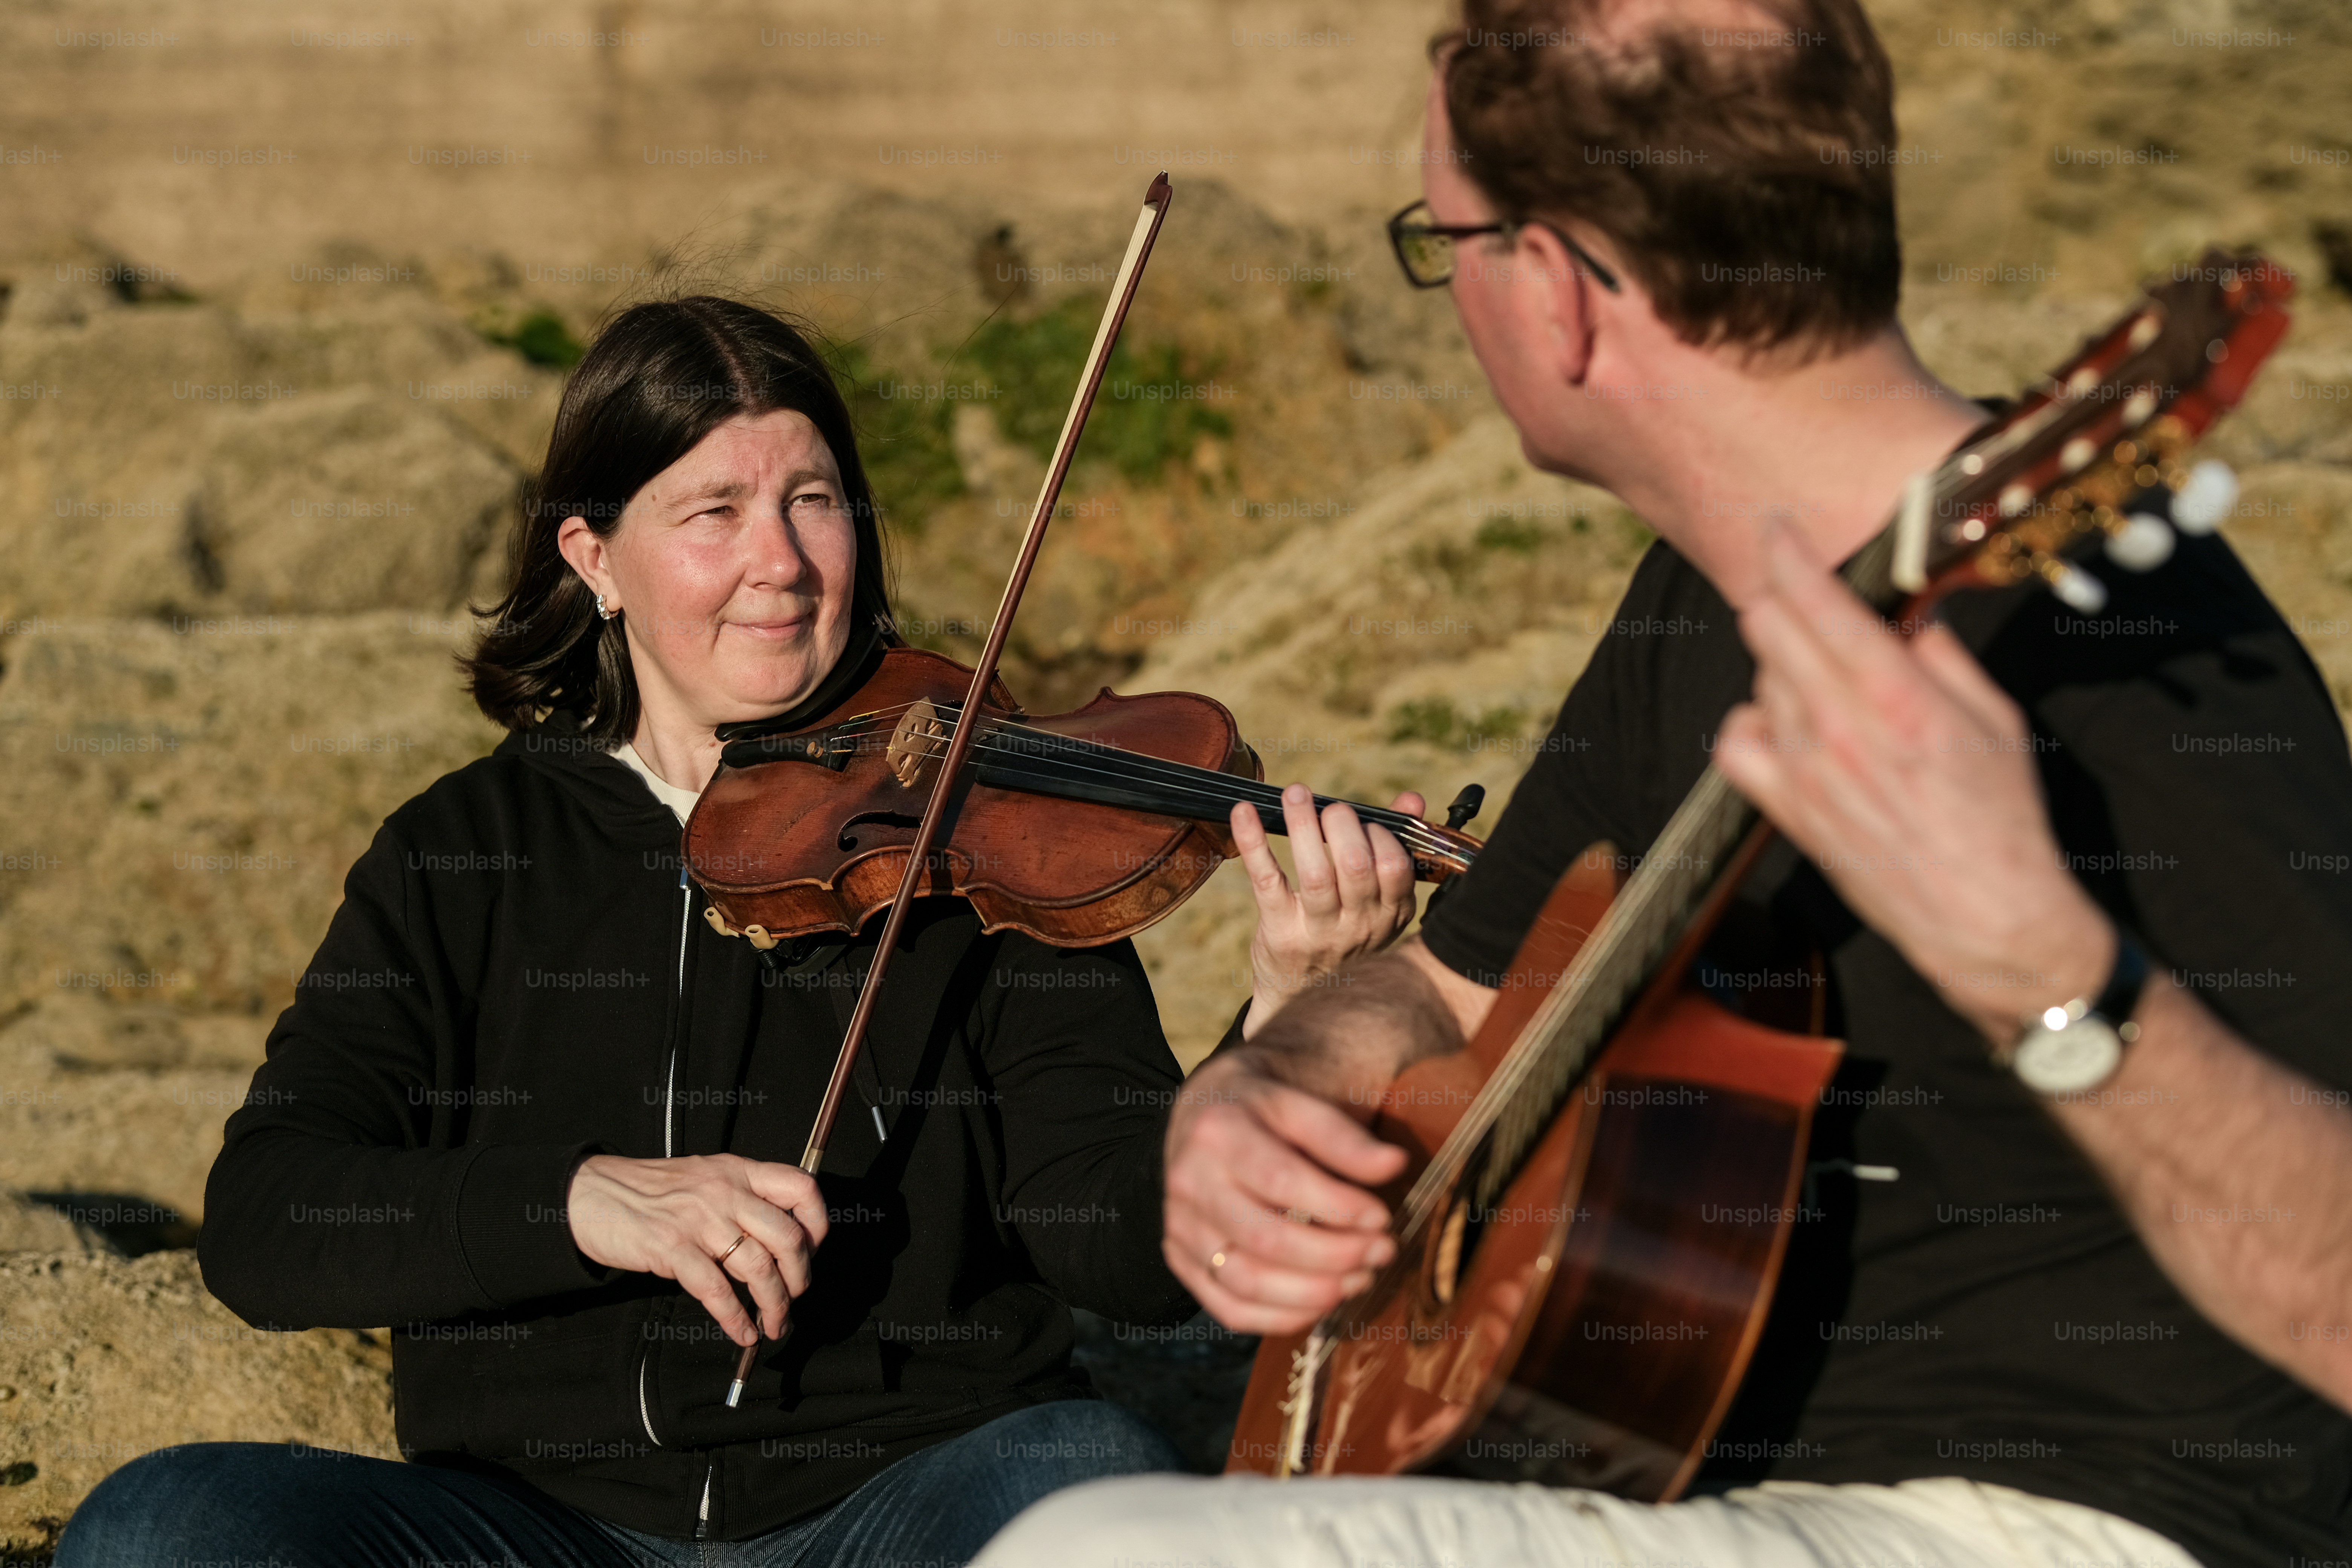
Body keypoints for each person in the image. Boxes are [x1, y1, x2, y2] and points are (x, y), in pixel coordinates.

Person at [981, 2, 2352, 1566]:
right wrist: (1266, 1082)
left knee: (1103, 1547)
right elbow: (1447, 982)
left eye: (1449, 243)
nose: (1455, 297)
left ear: (1558, 295)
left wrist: (2045, 969)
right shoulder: (1695, 600)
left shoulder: (2116, 633)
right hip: (1675, 1467)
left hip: (2079, 1518)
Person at [54, 297, 1423, 1568]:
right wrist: (584, 1200)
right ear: (594, 559)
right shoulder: (466, 853)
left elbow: (1122, 1251)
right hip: (533, 1526)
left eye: (811, 501)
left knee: (1086, 1464)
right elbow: (268, 1217)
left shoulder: (983, 821)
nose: (777, 562)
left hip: (900, 1502)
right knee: (165, 1523)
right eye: (713, 511)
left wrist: (1285, 1021)